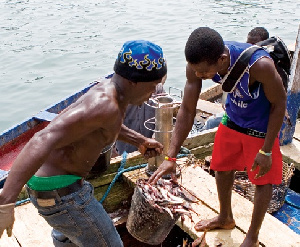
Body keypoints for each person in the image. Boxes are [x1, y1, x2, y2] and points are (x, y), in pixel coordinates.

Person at [0, 40, 167, 247]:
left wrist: (140, 140)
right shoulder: (104, 105)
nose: (154, 92)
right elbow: (41, 139)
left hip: (52, 189)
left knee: (68, 235)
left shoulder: (109, 89)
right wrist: (6, 202)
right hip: (62, 194)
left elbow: (106, 126)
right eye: (152, 86)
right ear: (134, 81)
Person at [149, 27, 286, 247]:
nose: (200, 76)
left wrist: (267, 150)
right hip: (232, 117)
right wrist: (171, 157)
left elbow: (279, 105)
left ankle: (252, 235)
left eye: (204, 73)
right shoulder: (197, 65)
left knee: (263, 178)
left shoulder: (260, 66)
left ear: (222, 60)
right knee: (221, 166)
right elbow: (187, 108)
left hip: (261, 125)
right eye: (196, 72)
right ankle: (225, 217)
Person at [202, 26, 270, 131]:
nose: (250, 48)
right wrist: (225, 102)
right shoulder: (240, 59)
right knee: (211, 122)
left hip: (254, 119)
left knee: (213, 122)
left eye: (254, 45)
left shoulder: (262, 66)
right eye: (248, 44)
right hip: (235, 111)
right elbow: (228, 83)